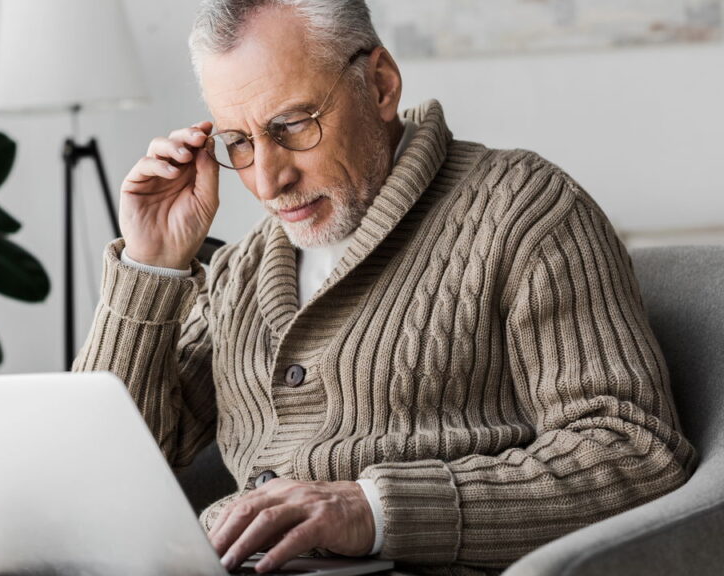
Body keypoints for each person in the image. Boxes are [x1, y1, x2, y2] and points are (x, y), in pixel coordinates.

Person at [72, 1, 697, 574]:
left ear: (379, 85)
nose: (267, 181)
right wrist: (150, 267)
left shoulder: (524, 210)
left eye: (292, 126)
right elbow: (98, 471)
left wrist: (372, 509)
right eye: (239, 142)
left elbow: (634, 450)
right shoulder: (240, 270)